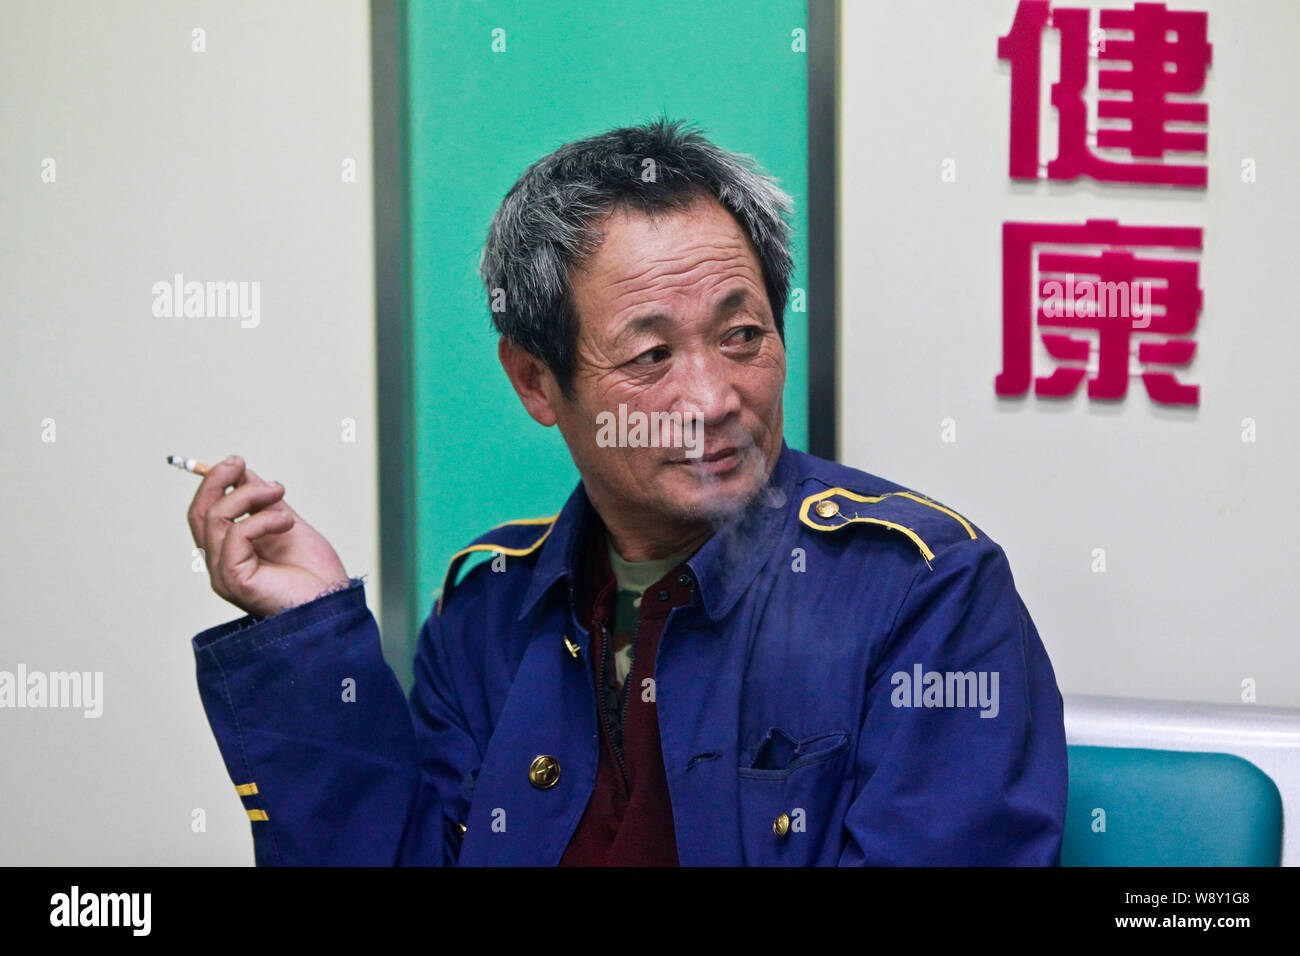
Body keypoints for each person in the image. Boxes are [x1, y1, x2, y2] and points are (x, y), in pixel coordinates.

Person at [186, 118, 1068, 865]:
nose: (713, 399)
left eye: (742, 335)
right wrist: (311, 638)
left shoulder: (925, 591)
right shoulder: (489, 612)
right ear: (536, 382)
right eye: (651, 356)